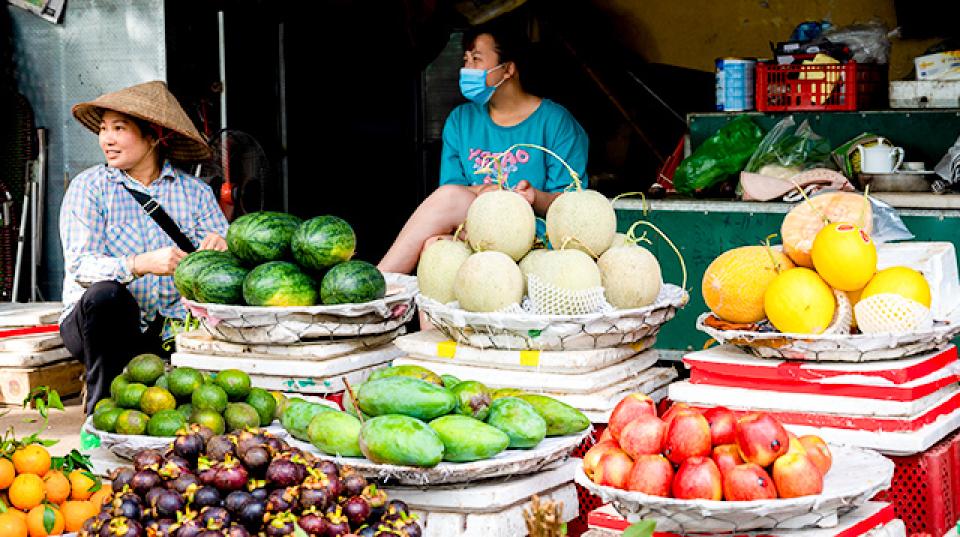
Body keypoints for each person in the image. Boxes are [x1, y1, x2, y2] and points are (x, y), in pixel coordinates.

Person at [59, 81, 229, 414]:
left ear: (154, 136)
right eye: (104, 129)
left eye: (119, 129)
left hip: (169, 326)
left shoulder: (195, 193)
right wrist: (139, 264)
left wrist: (223, 249)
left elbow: (226, 270)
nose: (107, 139)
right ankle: (100, 410)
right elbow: (80, 266)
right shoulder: (90, 188)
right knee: (104, 294)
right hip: (101, 325)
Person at [378, 21, 589, 274]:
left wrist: (534, 197)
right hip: (476, 228)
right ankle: (384, 289)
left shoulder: (556, 122)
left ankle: (379, 283)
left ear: (508, 69)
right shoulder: (460, 120)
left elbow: (572, 206)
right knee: (434, 246)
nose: (467, 68)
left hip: (534, 237)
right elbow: (451, 193)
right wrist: (483, 190)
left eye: (476, 59)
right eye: (465, 60)